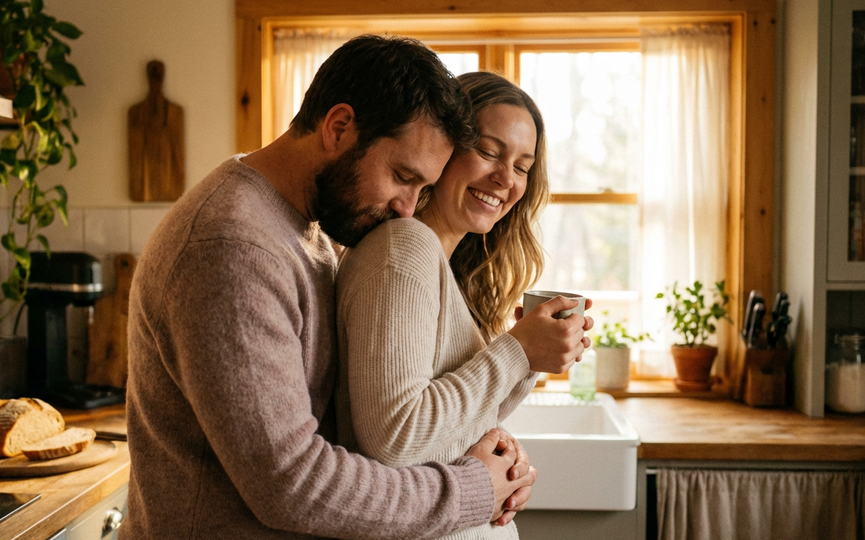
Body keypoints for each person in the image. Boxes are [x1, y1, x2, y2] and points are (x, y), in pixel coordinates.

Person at [122, 35, 585, 540]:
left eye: (422, 187)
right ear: (339, 126)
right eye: (402, 176)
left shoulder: (314, 224)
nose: (409, 209)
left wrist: (490, 450)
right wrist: (474, 488)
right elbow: (294, 483)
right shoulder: (232, 246)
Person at [335, 72, 593, 539]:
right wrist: (516, 352)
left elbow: (455, 422)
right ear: (444, 147)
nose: (505, 178)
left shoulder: (444, 265)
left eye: (522, 165)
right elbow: (396, 437)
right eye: (489, 152)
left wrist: (501, 453)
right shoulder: (404, 248)